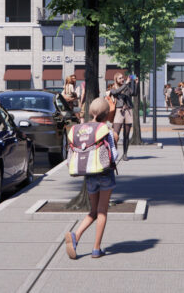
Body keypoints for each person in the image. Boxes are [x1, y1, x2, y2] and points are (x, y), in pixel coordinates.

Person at [64, 97, 118, 260]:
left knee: (93, 211)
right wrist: (116, 140)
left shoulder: (79, 129)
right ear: (107, 114)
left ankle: (76, 235)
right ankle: (96, 248)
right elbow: (114, 155)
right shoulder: (106, 130)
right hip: (104, 173)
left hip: (88, 174)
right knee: (102, 212)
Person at [108, 72, 136, 161]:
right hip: (118, 111)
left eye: (123, 78)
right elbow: (117, 92)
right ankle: (113, 153)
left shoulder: (126, 87)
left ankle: (125, 154)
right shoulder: (113, 88)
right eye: (120, 78)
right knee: (115, 135)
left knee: (126, 135)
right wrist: (126, 83)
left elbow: (134, 93)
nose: (122, 79)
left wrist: (136, 83)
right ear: (116, 79)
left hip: (128, 111)